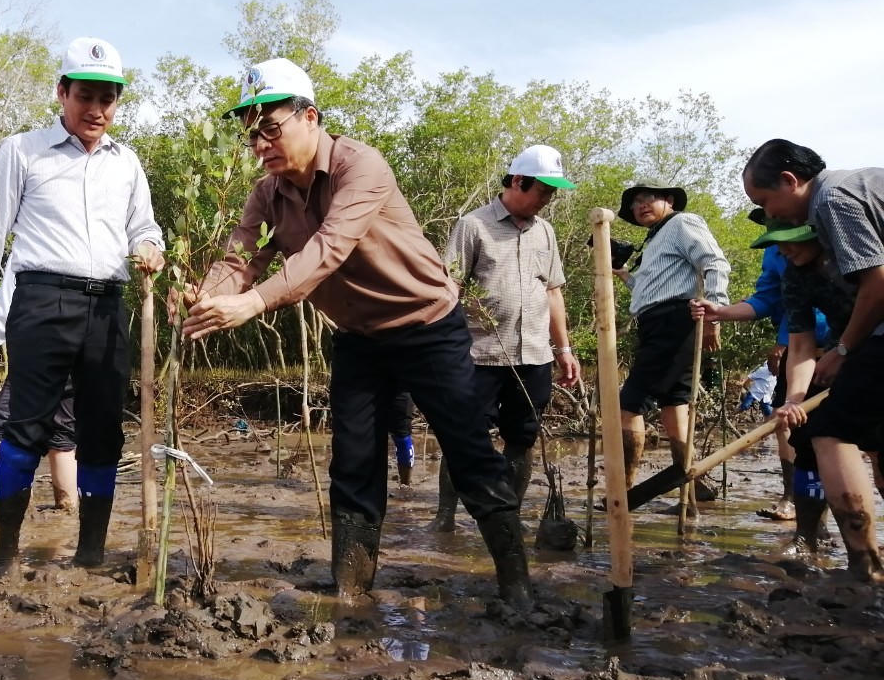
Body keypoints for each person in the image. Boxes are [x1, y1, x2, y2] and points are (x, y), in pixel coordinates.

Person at [183, 57, 532, 607]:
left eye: (270, 128)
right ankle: (351, 592)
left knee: (469, 453)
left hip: (427, 326)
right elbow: (240, 255)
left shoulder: (360, 166)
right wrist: (209, 294)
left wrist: (251, 303)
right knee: (353, 461)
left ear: (310, 117)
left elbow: (327, 250)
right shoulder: (266, 194)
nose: (260, 145)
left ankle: (517, 588)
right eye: (250, 134)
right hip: (358, 338)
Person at [0, 36, 164, 576]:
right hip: (41, 300)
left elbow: (144, 224)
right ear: (62, 92)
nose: (97, 110)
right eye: (86, 96)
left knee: (103, 430)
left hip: (108, 307)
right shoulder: (22, 151)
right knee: (26, 425)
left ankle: (90, 553)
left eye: (108, 100)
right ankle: (4, 556)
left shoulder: (127, 162)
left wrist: (150, 247)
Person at [744, 138, 884, 582]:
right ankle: (823, 539)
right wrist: (796, 399)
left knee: (833, 431)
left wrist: (842, 351)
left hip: (864, 346)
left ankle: (865, 564)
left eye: (770, 207)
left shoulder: (833, 203)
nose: (782, 247)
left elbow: (877, 288)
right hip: (861, 349)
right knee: (816, 435)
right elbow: (802, 346)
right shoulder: (796, 277)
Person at [430, 144, 581, 532]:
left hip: (532, 355)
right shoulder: (474, 225)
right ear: (517, 181)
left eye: (552, 193)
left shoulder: (545, 232)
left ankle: (507, 518)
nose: (547, 200)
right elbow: (452, 288)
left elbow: (552, 292)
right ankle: (445, 516)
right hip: (478, 355)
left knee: (522, 437)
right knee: (462, 437)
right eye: (542, 191)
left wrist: (563, 349)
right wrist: (440, 350)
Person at [690, 207, 831, 520]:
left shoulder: (838, 246)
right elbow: (769, 299)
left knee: (849, 440)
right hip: (801, 349)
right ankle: (795, 501)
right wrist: (721, 312)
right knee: (792, 427)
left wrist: (843, 350)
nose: (779, 240)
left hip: (845, 349)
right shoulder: (778, 255)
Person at [614, 182, 730, 495]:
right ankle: (691, 487)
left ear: (668, 200)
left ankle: (622, 492)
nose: (640, 206)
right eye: (635, 203)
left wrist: (715, 311)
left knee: (628, 405)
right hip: (658, 321)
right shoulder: (654, 240)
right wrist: (625, 275)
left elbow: (714, 262)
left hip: (674, 320)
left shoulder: (681, 222)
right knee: (674, 405)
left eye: (647, 199)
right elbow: (650, 291)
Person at [0, 262, 78, 512]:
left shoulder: (29, 251)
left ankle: (21, 510)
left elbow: (4, 309)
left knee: (1, 432)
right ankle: (67, 519)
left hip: (37, 350)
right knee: (62, 437)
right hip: (78, 346)